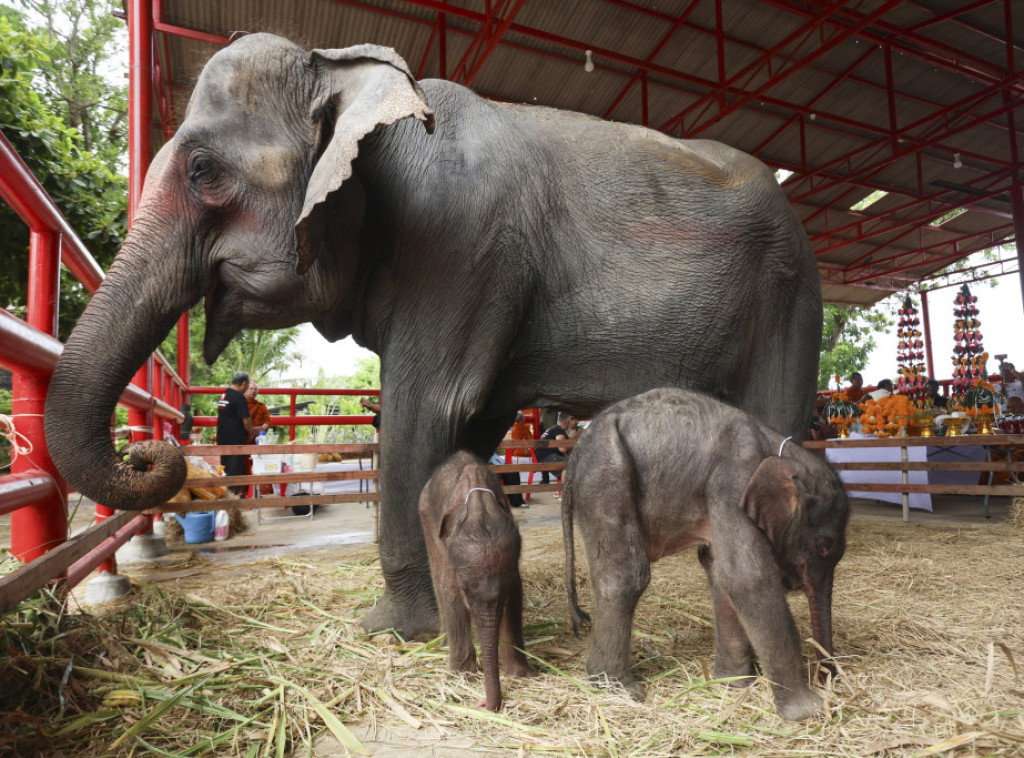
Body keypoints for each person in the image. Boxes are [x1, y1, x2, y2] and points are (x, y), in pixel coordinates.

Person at [217, 372, 253, 496]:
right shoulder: (239, 397)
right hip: (235, 440)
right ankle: (231, 499)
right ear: (244, 383)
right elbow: (246, 420)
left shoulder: (225, 394)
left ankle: (225, 495)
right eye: (248, 386)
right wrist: (251, 432)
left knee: (225, 468)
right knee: (235, 470)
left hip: (222, 438)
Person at [536, 412, 578, 484]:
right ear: (567, 422)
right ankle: (565, 491)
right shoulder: (559, 430)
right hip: (546, 457)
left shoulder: (553, 428)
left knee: (572, 462)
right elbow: (562, 449)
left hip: (540, 456)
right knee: (569, 464)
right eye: (571, 420)